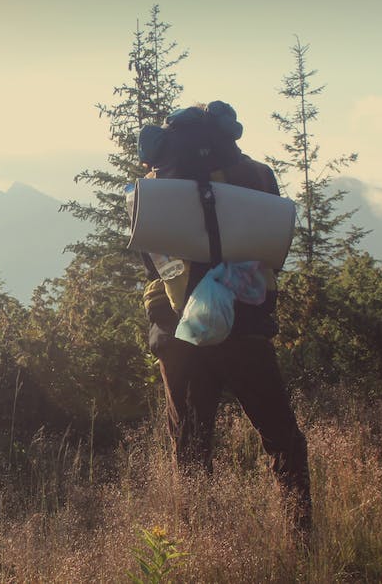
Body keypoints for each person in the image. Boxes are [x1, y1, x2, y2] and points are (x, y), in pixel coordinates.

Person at [137, 101, 312, 538]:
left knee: (191, 449)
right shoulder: (256, 176)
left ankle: (198, 549)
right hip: (245, 326)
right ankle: (304, 539)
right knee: (282, 439)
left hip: (180, 333)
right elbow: (277, 248)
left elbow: (150, 261)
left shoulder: (156, 187)